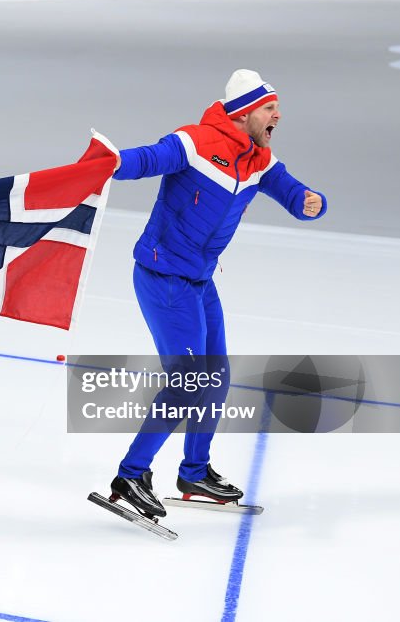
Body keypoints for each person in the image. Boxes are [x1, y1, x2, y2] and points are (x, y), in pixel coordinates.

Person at [107, 69, 327, 518]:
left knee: (215, 376)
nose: (277, 115)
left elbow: (290, 190)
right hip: (162, 276)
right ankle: (131, 475)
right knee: (188, 380)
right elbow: (147, 160)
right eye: (269, 108)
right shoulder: (195, 143)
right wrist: (108, 161)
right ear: (245, 112)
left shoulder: (258, 159)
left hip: (199, 282)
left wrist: (311, 201)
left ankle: (193, 471)